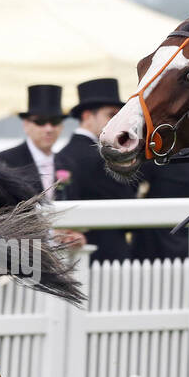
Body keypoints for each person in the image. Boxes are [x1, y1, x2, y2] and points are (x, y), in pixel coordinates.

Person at [55, 78, 137, 262]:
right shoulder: (100, 157)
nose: (118, 121)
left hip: (76, 256)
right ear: (87, 116)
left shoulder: (64, 154)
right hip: (107, 255)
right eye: (111, 115)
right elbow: (128, 203)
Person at [0, 85, 66, 196]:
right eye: (40, 122)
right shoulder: (5, 161)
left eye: (55, 121)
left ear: (62, 126)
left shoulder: (68, 163)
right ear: (26, 125)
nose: (49, 129)